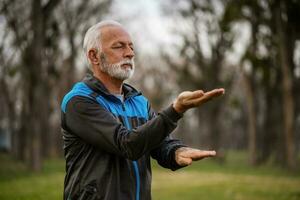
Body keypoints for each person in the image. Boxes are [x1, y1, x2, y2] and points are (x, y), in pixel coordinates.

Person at [60, 20, 225, 200]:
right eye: (119, 46)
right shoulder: (78, 101)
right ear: (94, 56)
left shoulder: (139, 101)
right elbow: (127, 144)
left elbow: (157, 143)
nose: (130, 53)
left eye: (131, 47)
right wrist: (176, 110)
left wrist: (175, 151)